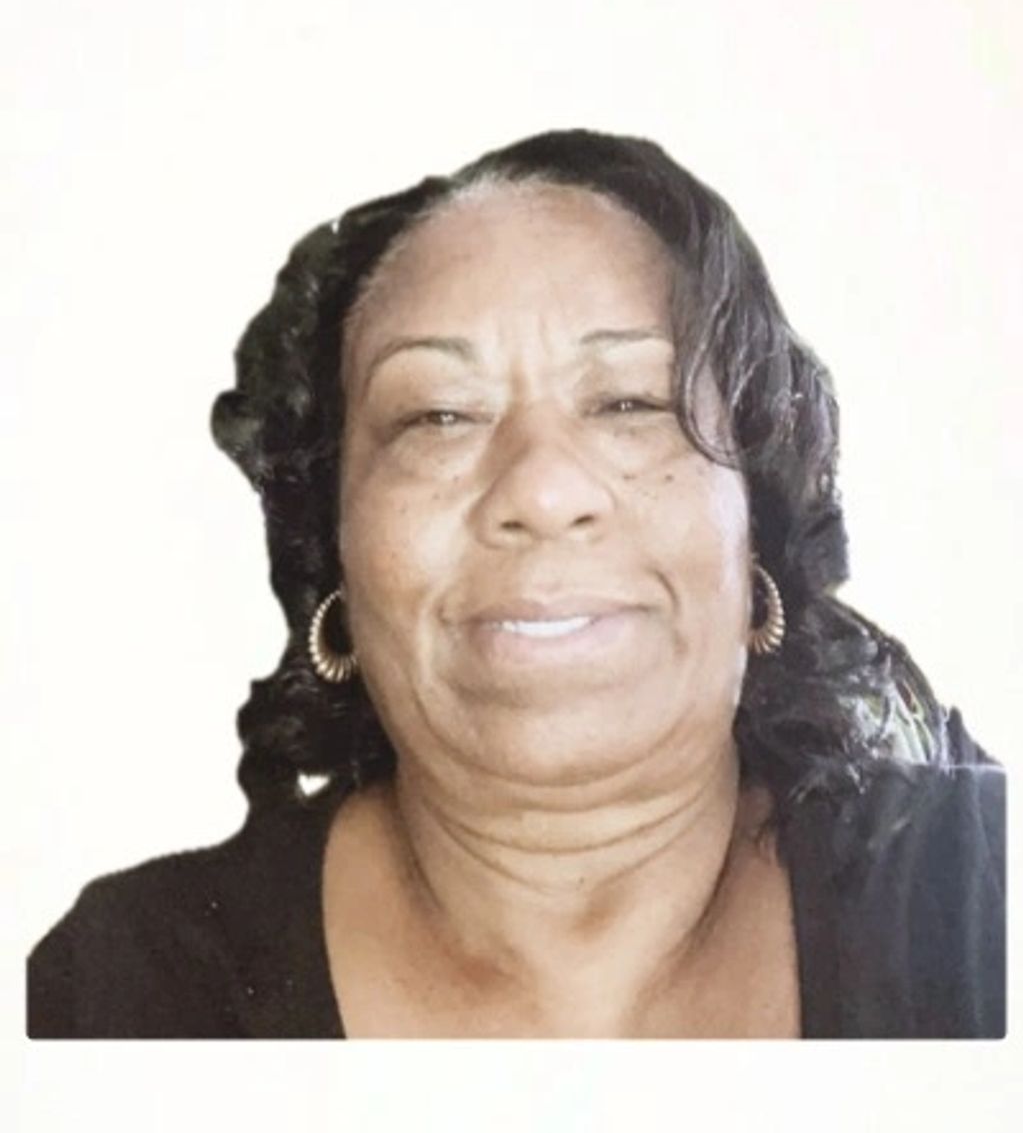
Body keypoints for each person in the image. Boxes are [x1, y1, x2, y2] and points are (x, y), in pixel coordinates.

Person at [27, 129, 1004, 1038]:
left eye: (628, 402)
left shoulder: (980, 902)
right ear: (333, 555)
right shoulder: (121, 995)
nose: (540, 489)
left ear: (759, 538)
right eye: (438, 417)